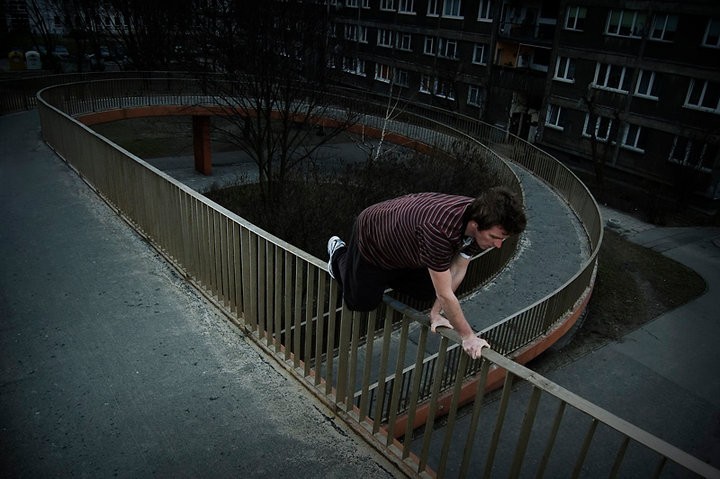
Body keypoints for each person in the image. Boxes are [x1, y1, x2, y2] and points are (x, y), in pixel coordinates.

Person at [327, 187, 526, 359]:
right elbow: (446, 294)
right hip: (374, 237)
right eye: (494, 237)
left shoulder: (482, 216)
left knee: (428, 291)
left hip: (406, 247)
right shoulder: (439, 230)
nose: (498, 245)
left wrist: (436, 314)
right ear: (475, 225)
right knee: (361, 301)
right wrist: (468, 336)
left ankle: (382, 277)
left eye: (502, 238)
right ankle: (338, 254)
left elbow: (457, 269)